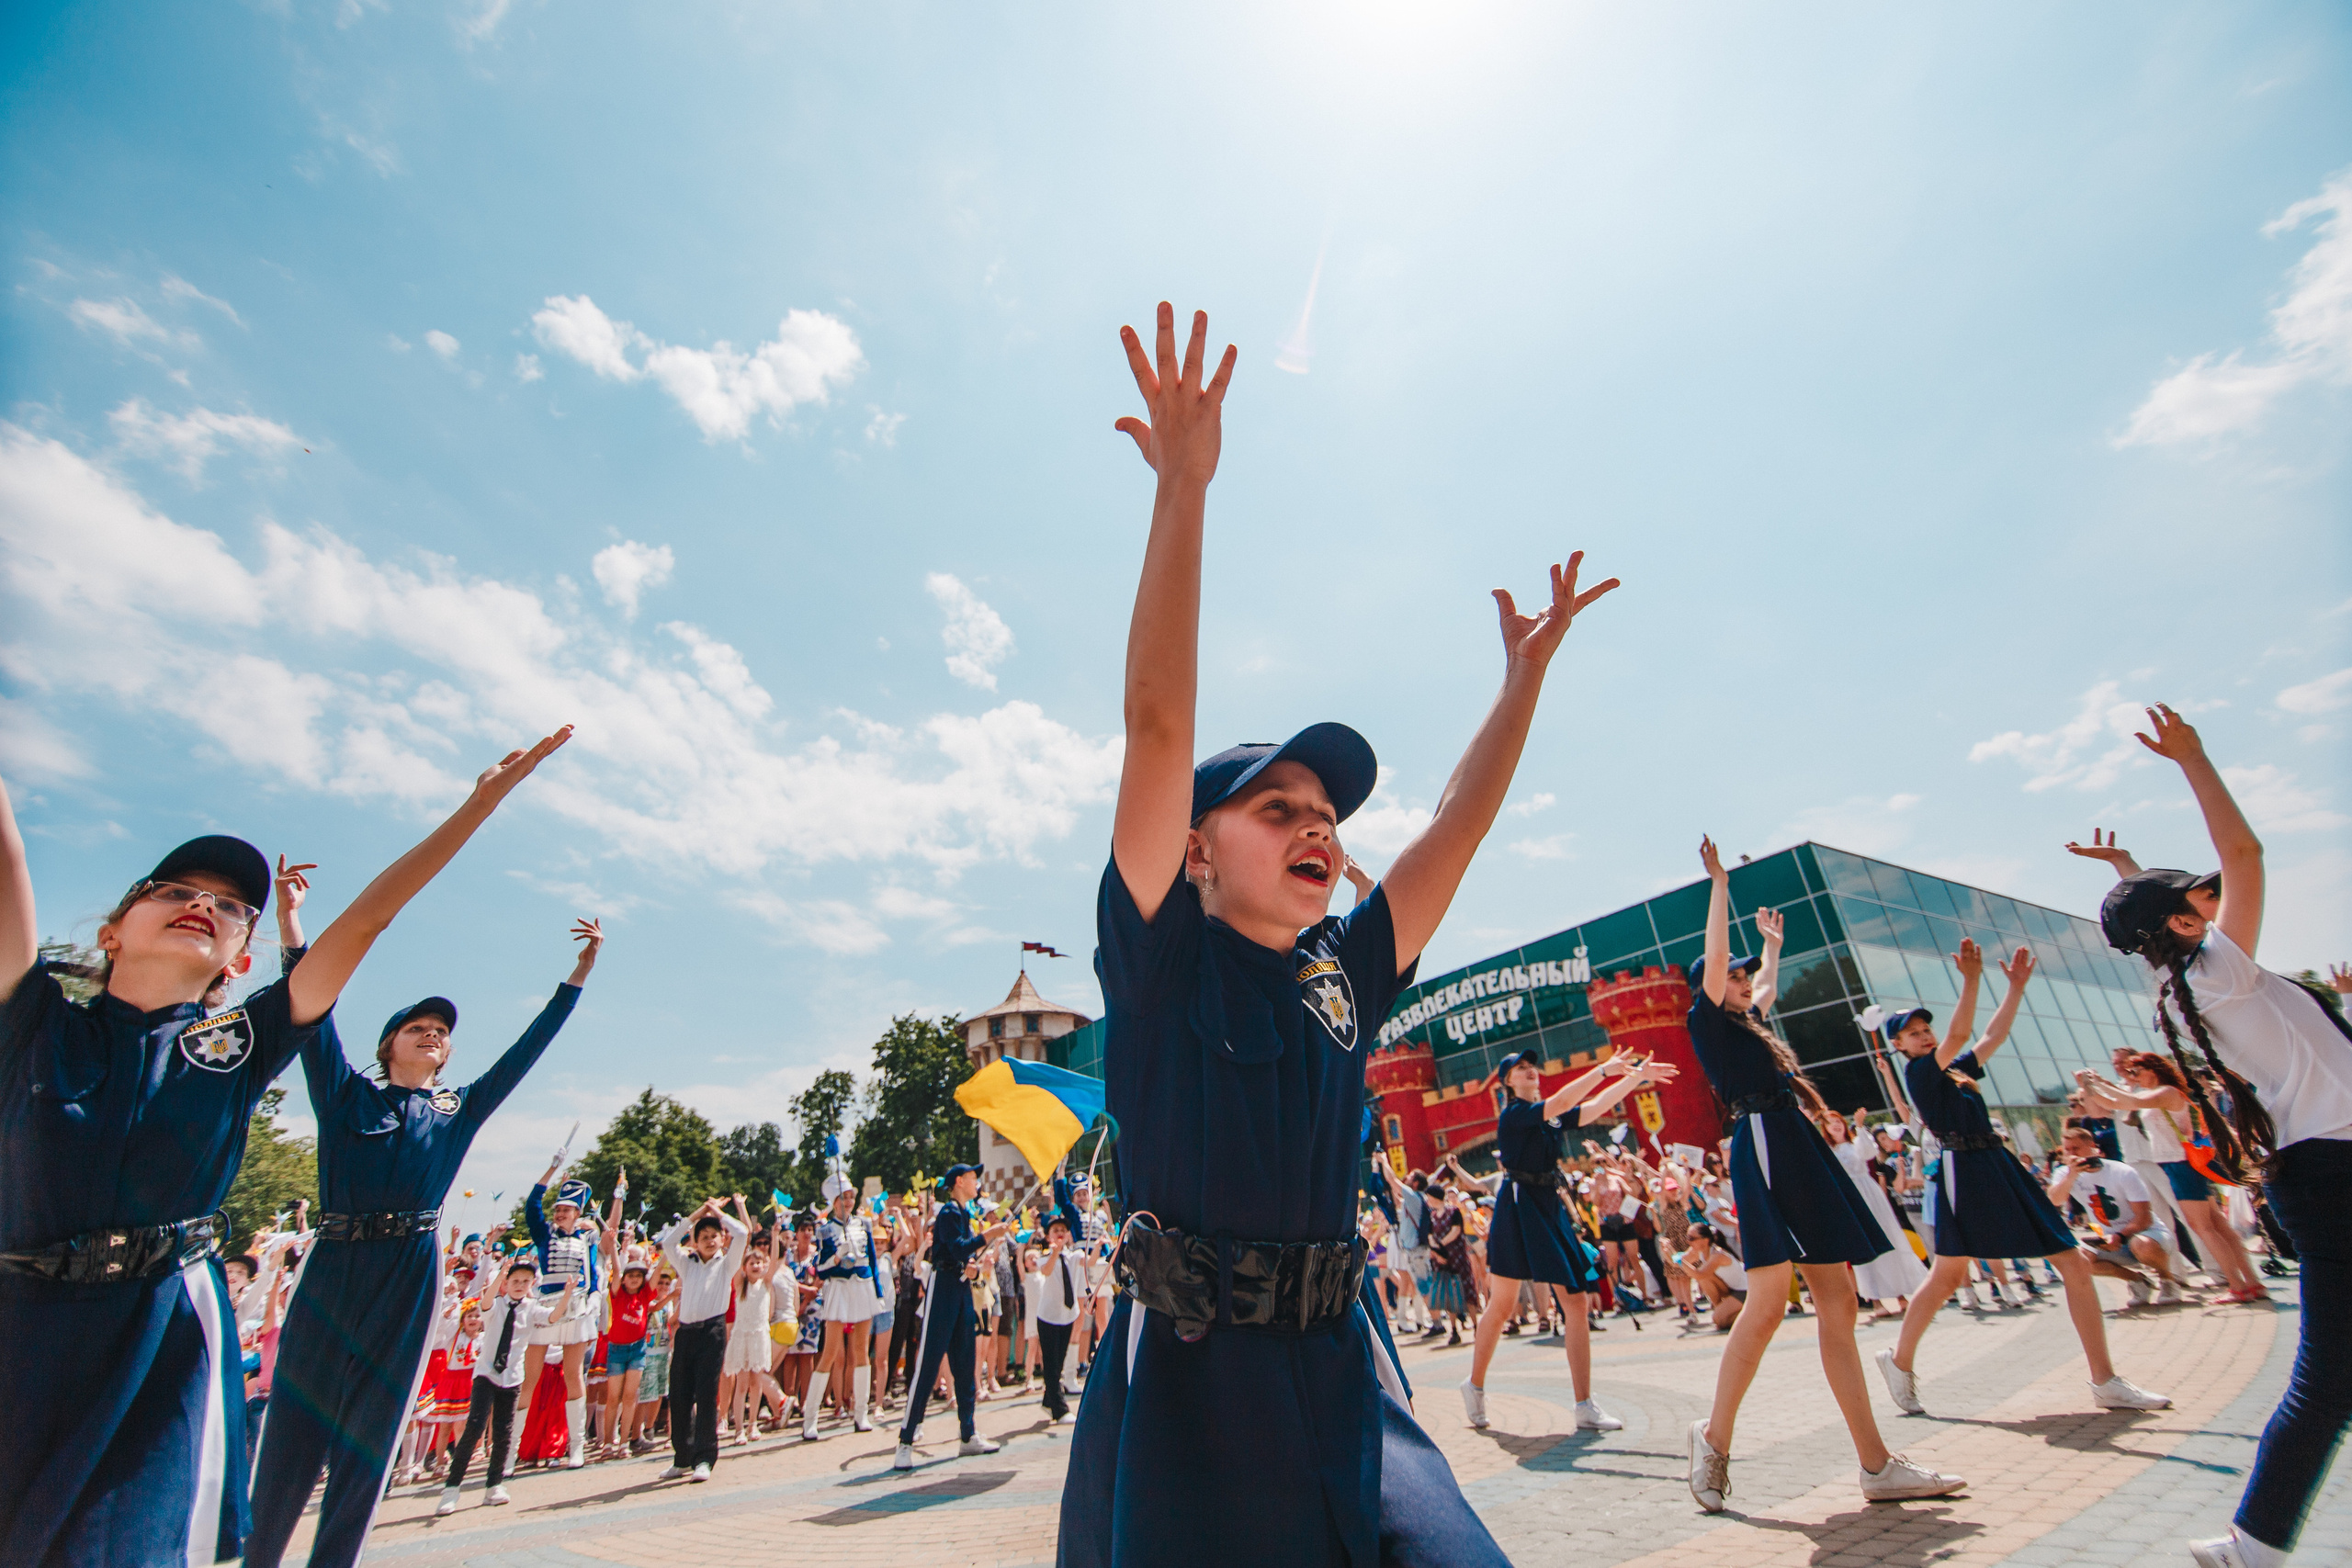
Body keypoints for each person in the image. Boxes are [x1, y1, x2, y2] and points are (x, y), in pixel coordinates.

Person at [1058, 304, 1617, 1568]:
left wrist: (1519, 682)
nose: (1318, 828)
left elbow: (1452, 834)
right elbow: (1156, 726)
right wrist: (1185, 492)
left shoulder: (1339, 973)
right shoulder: (1160, 960)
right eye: (1277, 808)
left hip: (1342, 1364)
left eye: (1326, 815)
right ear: (1196, 845)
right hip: (1191, 1393)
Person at [0, 729, 570, 1567]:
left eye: (233, 905)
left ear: (236, 961)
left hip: (158, 1344)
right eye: (176, 889)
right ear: (114, 930)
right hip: (24, 1328)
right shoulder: (33, 1021)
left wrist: (475, 808)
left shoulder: (235, 1044)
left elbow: (371, 916)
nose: (207, 902)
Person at [2078, 707, 2352, 1568]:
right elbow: (2248, 857)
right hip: (2334, 1171)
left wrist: (2128, 874)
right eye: (2199, 899)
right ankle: (2254, 1543)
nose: (2217, 896)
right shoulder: (2220, 973)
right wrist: (2194, 761)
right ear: (2191, 925)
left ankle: (2254, 1542)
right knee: (2328, 1377)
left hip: (2324, 1169)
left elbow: (2164, 913)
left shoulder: (2189, 982)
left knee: (2333, 1377)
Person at [245, 913, 603, 1567]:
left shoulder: (456, 1109)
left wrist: (574, 981)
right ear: (389, 1044)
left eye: (441, 1032)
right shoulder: (346, 1093)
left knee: (369, 1438)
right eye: (419, 1027)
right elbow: (312, 1012)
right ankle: (261, 1556)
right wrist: (294, 929)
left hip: (409, 1269)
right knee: (296, 1428)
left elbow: (524, 1053)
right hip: (336, 1259)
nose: (434, 1035)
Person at [1682, 834, 1962, 1514]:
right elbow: (1718, 961)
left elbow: (1763, 985)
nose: (1746, 987)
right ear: (1713, 988)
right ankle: (1712, 1440)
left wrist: (1772, 950)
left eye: (1750, 981)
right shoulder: (1708, 1020)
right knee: (1770, 1304)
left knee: (1839, 1298)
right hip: (1764, 1144)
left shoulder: (1751, 1022)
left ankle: (1876, 1463)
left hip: (1796, 1142)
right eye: (1736, 981)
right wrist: (1720, 884)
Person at [1872, 940, 2169, 1423]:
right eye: (1913, 1033)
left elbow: (1991, 1035)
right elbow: (1964, 1029)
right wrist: (1971, 981)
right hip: (1962, 1173)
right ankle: (1899, 1362)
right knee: (1947, 1276)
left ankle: (2105, 1380)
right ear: (1899, 1046)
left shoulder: (1958, 1073)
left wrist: (2014, 989)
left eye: (1926, 1028)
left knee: (2072, 1262)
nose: (1925, 1036)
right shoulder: (1922, 1074)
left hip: (1997, 1165)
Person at [1459, 1047, 1674, 1431]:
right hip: (1519, 1205)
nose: (1530, 1072)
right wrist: (1603, 1069)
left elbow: (1591, 1108)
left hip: (1548, 1205)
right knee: (1502, 1303)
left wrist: (1635, 1077)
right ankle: (1474, 1385)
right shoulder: (1514, 1116)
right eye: (1520, 1069)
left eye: (1532, 1066)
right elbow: (1562, 1100)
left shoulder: (1552, 1118)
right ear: (1507, 1081)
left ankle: (1584, 1404)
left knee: (1574, 1300)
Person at [2076, 1053, 2267, 1301]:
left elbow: (2127, 1102)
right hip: (2180, 1165)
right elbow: (2115, 1103)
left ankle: (2237, 1286)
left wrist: (2094, 1083)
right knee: (2217, 1225)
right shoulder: (2159, 1092)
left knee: (2204, 1228)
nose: (2131, 1077)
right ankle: (2250, 1283)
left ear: (2152, 1071)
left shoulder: (2166, 1092)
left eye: (2135, 1072)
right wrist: (2093, 1084)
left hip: (2180, 1164)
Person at [893, 1164, 1010, 1469]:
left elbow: (960, 1253)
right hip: (943, 1288)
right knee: (929, 1363)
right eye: (973, 1178)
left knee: (965, 1360)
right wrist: (988, 1235)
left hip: (961, 1289)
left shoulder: (963, 1214)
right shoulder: (947, 1213)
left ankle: (968, 1434)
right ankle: (906, 1439)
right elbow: (955, 1248)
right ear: (959, 1181)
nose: (977, 1183)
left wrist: (971, 1263)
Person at [435, 1258, 570, 1514]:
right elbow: (484, 1304)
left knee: (504, 1431)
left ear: (532, 1284)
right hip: (486, 1373)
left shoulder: (531, 1307)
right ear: (506, 1283)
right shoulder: (496, 1305)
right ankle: (451, 1488)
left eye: (525, 1281)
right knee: (475, 1425)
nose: (520, 1285)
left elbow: (552, 1317)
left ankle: (494, 1485)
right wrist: (501, 1276)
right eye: (515, 1281)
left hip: (512, 1376)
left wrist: (567, 1296)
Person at [517, 1159, 606, 1469]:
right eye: (558, 1209)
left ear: (577, 1214)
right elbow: (532, 1206)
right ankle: (511, 1448)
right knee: (530, 1377)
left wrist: (594, 1299)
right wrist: (551, 1171)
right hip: (547, 1307)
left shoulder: (587, 1239)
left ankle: (576, 1447)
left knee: (573, 1376)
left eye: (566, 1210)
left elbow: (594, 1275)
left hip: (577, 1308)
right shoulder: (545, 1236)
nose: (559, 1214)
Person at [655, 1196, 749, 1483]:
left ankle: (705, 1458)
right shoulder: (687, 1263)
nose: (709, 1241)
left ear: (722, 1238)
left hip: (712, 1332)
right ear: (695, 1241)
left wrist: (719, 1213)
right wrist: (697, 1215)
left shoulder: (727, 1264)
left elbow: (744, 1233)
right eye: (703, 1237)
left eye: (714, 1236)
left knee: (707, 1395)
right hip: (686, 1332)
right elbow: (669, 1242)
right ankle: (682, 1457)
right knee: (680, 1394)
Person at [2047, 1123, 2181, 1308]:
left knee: (2141, 1244)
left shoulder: (2121, 1171)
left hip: (2147, 1235)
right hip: (2107, 1239)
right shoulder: (2063, 1174)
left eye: (2076, 1148)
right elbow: (2055, 1200)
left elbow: (2144, 1217)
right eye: (2067, 1150)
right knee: (2080, 1260)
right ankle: (2136, 1281)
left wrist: (2119, 1236)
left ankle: (2167, 1280)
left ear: (2092, 1146)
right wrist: (2071, 1177)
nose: (2072, 1154)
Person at [808, 1158, 886, 1438]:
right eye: (843, 1198)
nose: (849, 1201)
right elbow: (820, 1267)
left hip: (862, 1287)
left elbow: (874, 1263)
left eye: (851, 1196)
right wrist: (837, 1256)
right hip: (839, 1289)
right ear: (833, 1201)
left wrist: (877, 1291)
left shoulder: (864, 1223)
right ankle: (811, 1418)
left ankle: (861, 1413)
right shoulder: (825, 1229)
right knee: (830, 1353)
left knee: (861, 1352)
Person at [1823, 1109, 1927, 1314]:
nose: (1835, 1125)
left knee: (1889, 1240)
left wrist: (1860, 1127)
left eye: (1838, 1120)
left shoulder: (1856, 1143)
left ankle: (1901, 1295)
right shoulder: (1827, 1151)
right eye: (1829, 1123)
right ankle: (1876, 1301)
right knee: (1864, 1247)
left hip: (1870, 1193)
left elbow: (1868, 1153)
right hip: (1850, 1197)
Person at [1033, 1214, 1084, 1424]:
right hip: (1048, 1317)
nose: (1060, 1233)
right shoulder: (1043, 1257)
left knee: (1058, 1362)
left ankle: (1049, 1400)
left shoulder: (1072, 1256)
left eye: (1063, 1229)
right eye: (1055, 1230)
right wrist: (1055, 1252)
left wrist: (1098, 1246)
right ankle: (1059, 1409)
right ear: (1047, 1236)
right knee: (1051, 1363)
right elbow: (1046, 1271)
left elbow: (1088, 1261)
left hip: (1067, 1315)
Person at [1678, 1224, 1748, 1330]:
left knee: (1718, 1320)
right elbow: (1678, 1262)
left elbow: (1697, 1273)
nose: (1688, 1241)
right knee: (1705, 1279)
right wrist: (1668, 1251)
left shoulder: (1717, 1255)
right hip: (1731, 1289)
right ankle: (1724, 1311)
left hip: (1744, 1291)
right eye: (1687, 1237)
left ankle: (1751, 1313)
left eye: (1691, 1238)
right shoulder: (1701, 1251)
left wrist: (1677, 1260)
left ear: (1705, 1240)